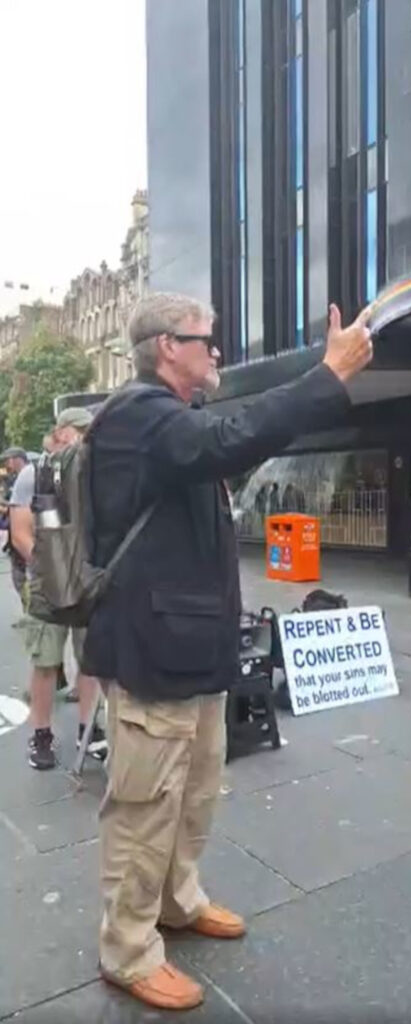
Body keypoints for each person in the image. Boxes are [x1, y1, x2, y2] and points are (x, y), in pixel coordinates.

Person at [82, 291, 373, 1010]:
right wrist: (326, 376)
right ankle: (128, 947)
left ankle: (176, 902)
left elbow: (234, 434)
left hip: (192, 649)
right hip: (154, 653)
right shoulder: (138, 416)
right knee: (145, 805)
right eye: (204, 340)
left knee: (195, 791)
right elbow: (233, 435)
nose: (217, 351)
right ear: (164, 349)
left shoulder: (173, 421)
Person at [9, 408, 107, 770]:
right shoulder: (35, 474)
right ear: (63, 432)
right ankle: (41, 735)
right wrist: (51, 568)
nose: (83, 438)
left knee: (90, 660)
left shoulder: (91, 473)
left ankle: (88, 729)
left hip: (84, 579)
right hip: (48, 582)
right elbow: (21, 533)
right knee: (46, 662)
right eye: (78, 430)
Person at [1, 446, 29, 604]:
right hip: (16, 536)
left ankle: (32, 610)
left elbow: (21, 507)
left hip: (22, 535)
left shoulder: (26, 476)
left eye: (8, 461)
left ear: (15, 459)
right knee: (19, 577)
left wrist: (5, 508)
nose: (7, 465)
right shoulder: (17, 478)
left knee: (21, 577)